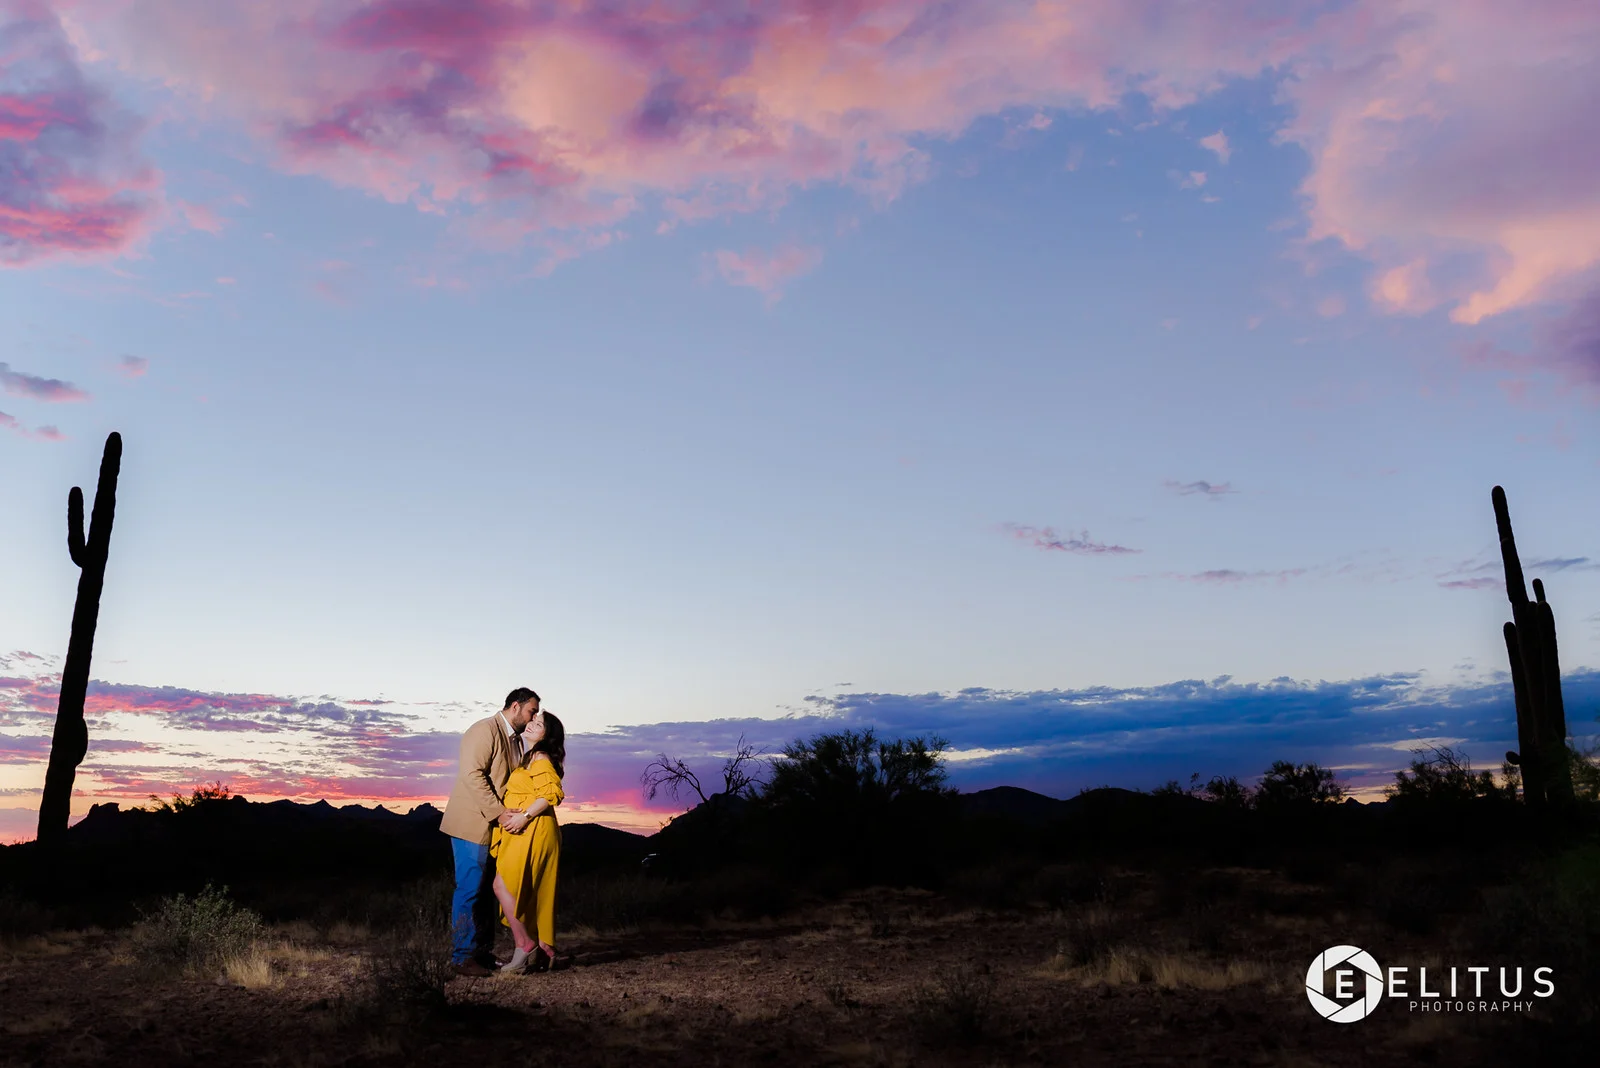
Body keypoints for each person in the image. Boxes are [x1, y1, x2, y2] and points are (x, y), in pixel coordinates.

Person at [440, 687, 539, 978]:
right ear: (516, 706)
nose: (534, 716)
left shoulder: (514, 741)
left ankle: (480, 953)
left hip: (493, 829)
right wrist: (498, 812)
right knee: (469, 890)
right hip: (470, 823)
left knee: (484, 892)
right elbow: (472, 774)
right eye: (532, 710)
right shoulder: (484, 730)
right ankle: (461, 957)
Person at [489, 708, 567, 973]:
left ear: (548, 735)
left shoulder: (541, 756)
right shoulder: (529, 757)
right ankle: (543, 947)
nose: (533, 723)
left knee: (502, 886)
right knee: (524, 890)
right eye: (533, 719)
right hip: (527, 831)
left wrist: (523, 816)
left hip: (534, 829)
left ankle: (526, 945)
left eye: (540, 723)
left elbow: (552, 793)